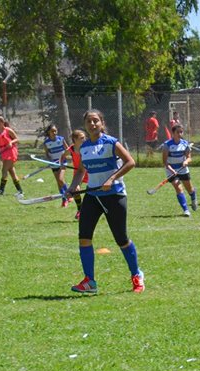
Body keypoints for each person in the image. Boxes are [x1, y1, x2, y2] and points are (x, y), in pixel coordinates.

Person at [65, 109, 144, 294]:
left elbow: (130, 162)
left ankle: (137, 275)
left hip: (114, 195)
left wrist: (112, 178)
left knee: (121, 239)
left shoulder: (110, 142)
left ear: (102, 123)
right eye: (89, 122)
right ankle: (89, 282)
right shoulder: (83, 147)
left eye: (95, 121)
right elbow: (80, 171)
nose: (92, 124)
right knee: (84, 238)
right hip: (93, 196)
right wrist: (73, 187)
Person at [162, 123, 197, 217]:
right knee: (178, 187)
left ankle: (193, 196)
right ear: (173, 133)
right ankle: (186, 210)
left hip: (183, 169)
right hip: (170, 169)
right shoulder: (167, 145)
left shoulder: (185, 144)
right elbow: (165, 162)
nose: (180, 134)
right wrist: (171, 170)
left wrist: (186, 161)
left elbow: (189, 158)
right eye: (178, 132)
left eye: (181, 132)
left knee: (189, 189)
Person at [0, 115, 23, 197]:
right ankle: (20, 190)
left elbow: (17, 139)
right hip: (3, 152)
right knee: (12, 172)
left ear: (2, 123)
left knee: (4, 170)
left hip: (10, 151)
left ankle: (1, 190)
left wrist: (11, 142)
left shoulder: (8, 130)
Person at [42, 123, 70, 206]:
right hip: (53, 164)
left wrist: (64, 156)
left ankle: (69, 193)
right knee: (58, 182)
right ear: (49, 132)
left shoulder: (61, 139)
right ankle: (64, 199)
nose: (54, 132)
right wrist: (50, 160)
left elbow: (67, 149)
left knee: (61, 179)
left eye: (55, 131)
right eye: (52, 131)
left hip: (62, 162)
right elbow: (47, 153)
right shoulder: (46, 143)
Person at [65, 129, 88, 216]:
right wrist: (62, 164)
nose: (84, 139)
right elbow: (63, 156)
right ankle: (80, 209)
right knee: (76, 190)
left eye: (84, 137)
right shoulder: (71, 149)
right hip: (78, 172)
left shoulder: (86, 147)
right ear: (75, 139)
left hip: (88, 171)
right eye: (81, 138)